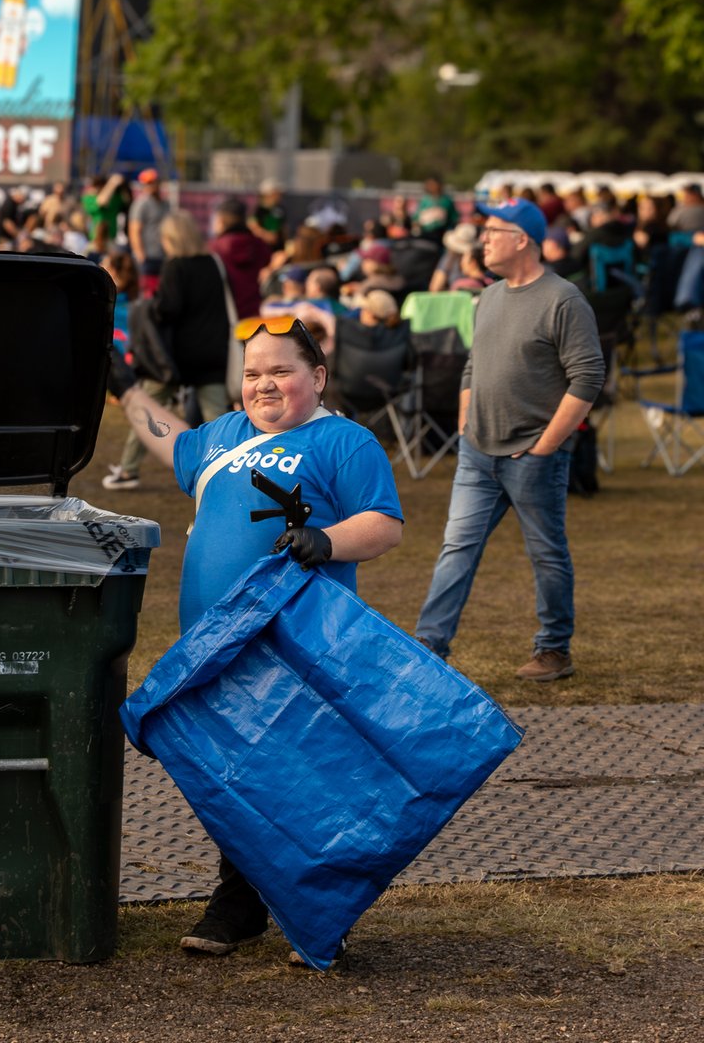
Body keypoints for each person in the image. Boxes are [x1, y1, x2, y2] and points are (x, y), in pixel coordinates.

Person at [108, 316, 404, 958]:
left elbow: (384, 524)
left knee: (305, 774)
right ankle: (238, 901)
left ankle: (321, 910)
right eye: (251, 374)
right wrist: (128, 390)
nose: (263, 385)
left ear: (317, 377)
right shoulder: (221, 437)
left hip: (300, 647)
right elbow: (170, 439)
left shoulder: (344, 442)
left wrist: (325, 541)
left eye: (280, 371)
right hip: (216, 648)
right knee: (233, 773)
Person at [413, 198, 605, 682]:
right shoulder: (490, 295)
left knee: (546, 552)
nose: (483, 239)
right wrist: (465, 420)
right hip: (478, 451)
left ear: (522, 240)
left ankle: (554, 650)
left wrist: (546, 446)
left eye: (492, 231)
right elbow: (475, 364)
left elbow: (588, 377)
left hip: (531, 456)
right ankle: (429, 646)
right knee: (456, 547)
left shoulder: (563, 300)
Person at [103, 210, 231, 491]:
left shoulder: (176, 267)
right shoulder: (212, 263)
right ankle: (228, 472)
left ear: (171, 238)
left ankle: (128, 469)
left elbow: (167, 310)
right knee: (220, 420)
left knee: (146, 409)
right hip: (212, 352)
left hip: (174, 357)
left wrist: (150, 306)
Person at [209, 196, 271, 318]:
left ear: (221, 220)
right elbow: (267, 260)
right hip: (253, 312)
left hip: (224, 315)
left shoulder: (215, 248)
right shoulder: (258, 244)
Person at [128, 169, 170, 295]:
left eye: (153, 182)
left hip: (162, 255)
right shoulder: (141, 203)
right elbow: (134, 230)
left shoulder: (164, 204)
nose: (151, 186)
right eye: (148, 183)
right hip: (147, 256)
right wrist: (140, 255)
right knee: (147, 293)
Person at [248, 178, 287, 250]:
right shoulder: (258, 210)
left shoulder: (277, 210)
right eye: (276, 193)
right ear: (268, 194)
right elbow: (271, 237)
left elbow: (274, 237)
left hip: (274, 252)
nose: (279, 196)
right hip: (264, 252)